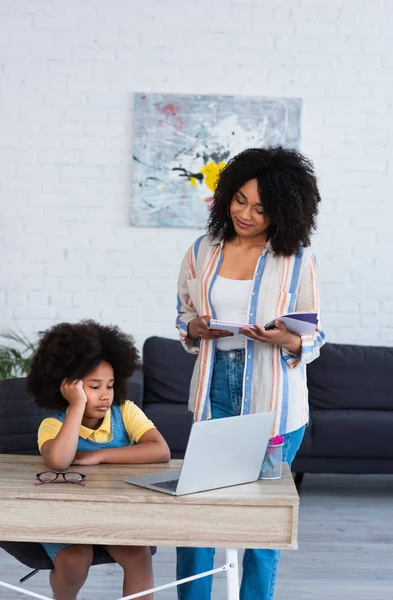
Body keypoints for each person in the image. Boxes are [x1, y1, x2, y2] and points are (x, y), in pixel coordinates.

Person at [176, 146, 325, 600]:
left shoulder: (296, 259)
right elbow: (184, 315)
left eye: (261, 208)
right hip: (214, 388)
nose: (246, 213)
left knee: (261, 526)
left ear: (283, 211)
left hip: (274, 398)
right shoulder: (203, 250)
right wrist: (196, 326)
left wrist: (287, 338)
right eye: (239, 200)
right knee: (197, 515)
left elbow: (314, 335)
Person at [26, 320, 170, 600]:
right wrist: (77, 405)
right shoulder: (53, 425)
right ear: (68, 386)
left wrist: (99, 455)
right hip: (63, 517)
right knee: (75, 560)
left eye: (111, 385)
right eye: (94, 386)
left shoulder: (124, 411)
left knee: (139, 554)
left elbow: (160, 449)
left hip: (111, 515)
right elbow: (58, 461)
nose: (105, 395)